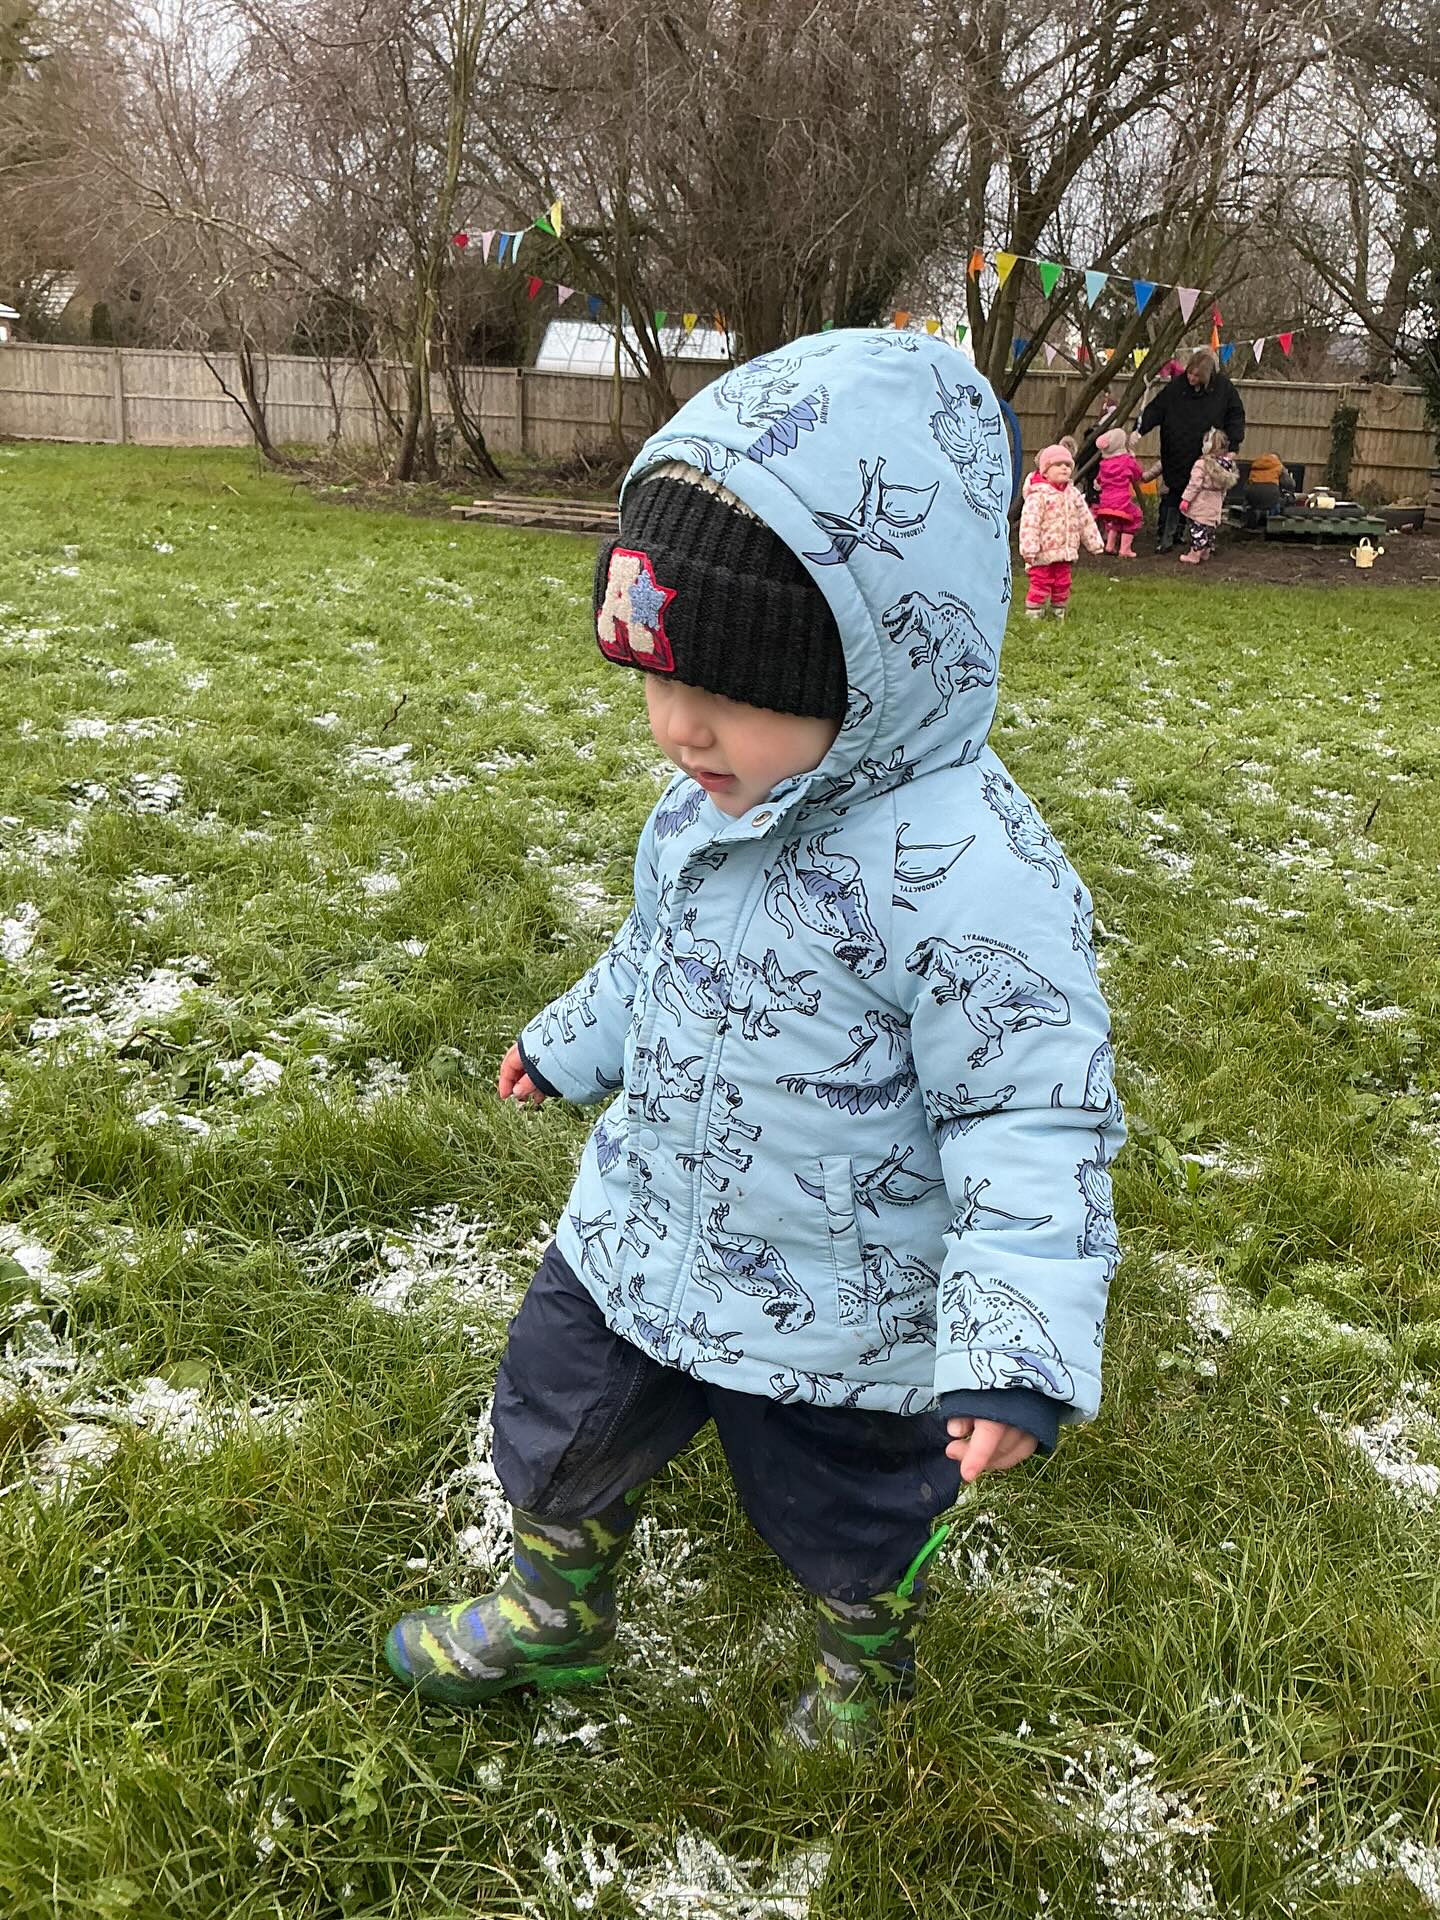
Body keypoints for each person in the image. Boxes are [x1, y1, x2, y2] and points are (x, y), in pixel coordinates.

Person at [382, 329, 1124, 1751]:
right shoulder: (703, 804)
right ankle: (556, 1611)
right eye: (656, 682)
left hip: (842, 1297)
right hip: (642, 1226)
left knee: (849, 1504)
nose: (678, 730)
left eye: (728, 696)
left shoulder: (976, 879)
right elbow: (656, 952)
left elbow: (1035, 1113)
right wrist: (570, 1042)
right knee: (552, 1415)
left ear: (883, 664)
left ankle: (864, 1663)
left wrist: (1015, 1339)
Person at [1136, 346, 1246, 553]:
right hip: (1175, 449)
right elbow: (1156, 408)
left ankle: (1198, 538)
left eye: (1197, 376)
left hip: (1205, 453)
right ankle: (1166, 537)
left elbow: (1235, 417)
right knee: (1173, 494)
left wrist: (1233, 446)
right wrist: (1139, 430)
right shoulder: (1176, 388)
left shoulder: (1224, 389)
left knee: (1200, 496)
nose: (1192, 378)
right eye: (1190, 373)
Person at [1018, 441, 1105, 617]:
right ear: (1045, 471)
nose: (1064, 468)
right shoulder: (1038, 496)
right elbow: (1029, 523)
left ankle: (1059, 611)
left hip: (1065, 551)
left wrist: (1094, 542)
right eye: (1058, 465)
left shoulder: (1073, 494)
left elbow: (1085, 520)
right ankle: (1034, 612)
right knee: (1041, 582)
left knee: (1062, 582)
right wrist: (1029, 549)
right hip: (1042, 553)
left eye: (1067, 465)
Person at [1091, 429, 1158, 559]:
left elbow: (1099, 480)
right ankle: (1125, 549)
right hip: (1121, 500)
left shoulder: (1104, 463)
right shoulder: (1127, 460)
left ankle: (1110, 545)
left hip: (1105, 502)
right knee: (1135, 516)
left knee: (1115, 519)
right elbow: (1137, 474)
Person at [1178, 427, 1239, 563]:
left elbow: (1195, 484)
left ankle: (1194, 555)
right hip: (1215, 502)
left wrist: (1186, 499)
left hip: (1202, 500)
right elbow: (1225, 488)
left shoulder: (1202, 464)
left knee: (1197, 528)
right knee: (1209, 529)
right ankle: (1205, 551)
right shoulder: (1225, 466)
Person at [1242, 449, 1294, 520]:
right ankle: (1272, 517)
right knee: (1277, 502)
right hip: (1271, 494)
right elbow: (1290, 484)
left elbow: (1246, 486)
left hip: (1253, 494)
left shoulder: (1257, 464)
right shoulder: (1279, 466)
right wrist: (1286, 474)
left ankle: (1256, 513)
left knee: (1257, 501)